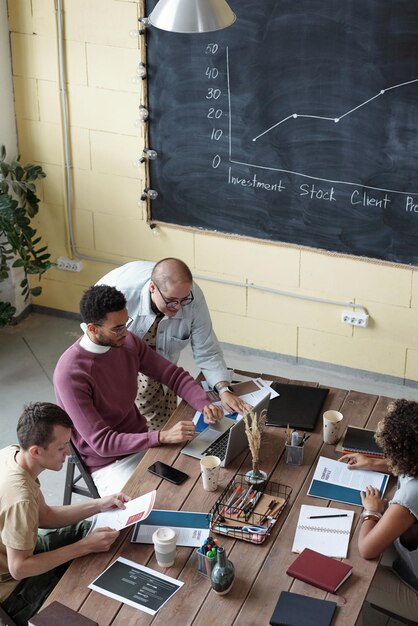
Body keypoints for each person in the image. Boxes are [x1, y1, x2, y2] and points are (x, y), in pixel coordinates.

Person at [53, 285, 223, 496]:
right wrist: (161, 437)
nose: (125, 332)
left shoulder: (127, 342)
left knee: (202, 478)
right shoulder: (70, 374)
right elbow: (103, 443)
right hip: (109, 464)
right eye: (117, 328)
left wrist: (203, 403)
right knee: (156, 505)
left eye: (126, 324)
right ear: (92, 329)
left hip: (142, 444)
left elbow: (173, 375)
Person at [0, 402, 128, 626]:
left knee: (96, 531)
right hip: (14, 591)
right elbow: (19, 568)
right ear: (36, 451)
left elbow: (45, 516)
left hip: (23, 549)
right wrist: (84, 546)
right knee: (95, 609)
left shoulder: (12, 454)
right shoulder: (19, 497)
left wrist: (99, 504)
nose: (68, 453)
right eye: (61, 448)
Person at [96, 258, 249, 430]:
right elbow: (96, 341)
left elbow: (205, 350)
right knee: (128, 425)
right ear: (152, 288)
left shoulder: (191, 297)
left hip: (164, 368)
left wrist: (223, 390)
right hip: (115, 360)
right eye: (171, 300)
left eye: (183, 300)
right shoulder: (120, 294)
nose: (177, 307)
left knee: (167, 422)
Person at [339, 398, 418, 624]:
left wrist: (372, 512)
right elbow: (408, 467)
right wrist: (373, 464)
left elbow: (367, 548)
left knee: (348, 574)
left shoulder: (409, 497)